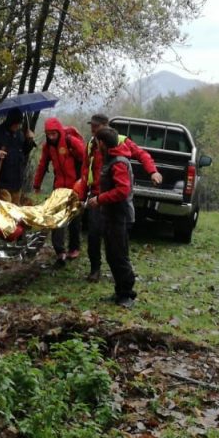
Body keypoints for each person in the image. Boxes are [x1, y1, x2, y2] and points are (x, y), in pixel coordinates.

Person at [81, 114, 160, 282]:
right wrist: (82, 196)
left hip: (112, 200)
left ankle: (122, 273)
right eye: (91, 126)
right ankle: (95, 269)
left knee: (117, 241)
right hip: (96, 196)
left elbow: (142, 155)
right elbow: (85, 170)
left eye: (96, 126)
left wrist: (152, 171)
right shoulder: (91, 145)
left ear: (106, 125)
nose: (93, 130)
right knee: (93, 235)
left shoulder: (121, 143)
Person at [86, 127, 137, 307]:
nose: (95, 144)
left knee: (119, 256)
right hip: (110, 215)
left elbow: (122, 191)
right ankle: (120, 292)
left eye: (96, 141)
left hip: (120, 216)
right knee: (111, 255)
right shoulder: (110, 160)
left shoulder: (118, 163)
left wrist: (100, 199)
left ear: (102, 143)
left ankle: (127, 295)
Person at [33, 117, 87, 267]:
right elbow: (42, 165)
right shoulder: (48, 147)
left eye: (53, 134)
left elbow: (86, 160)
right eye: (48, 134)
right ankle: (60, 251)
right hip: (59, 187)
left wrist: (84, 181)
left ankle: (74, 248)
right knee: (56, 219)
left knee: (74, 218)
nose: (51, 137)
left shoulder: (71, 142)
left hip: (75, 186)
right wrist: (37, 184)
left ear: (58, 132)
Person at [0, 109, 36, 202]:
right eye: (15, 124)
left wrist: (29, 141)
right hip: (1, 181)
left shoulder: (19, 134)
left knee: (14, 208)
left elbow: (23, 152)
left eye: (19, 124)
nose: (17, 126)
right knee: (5, 206)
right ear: (10, 122)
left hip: (16, 182)